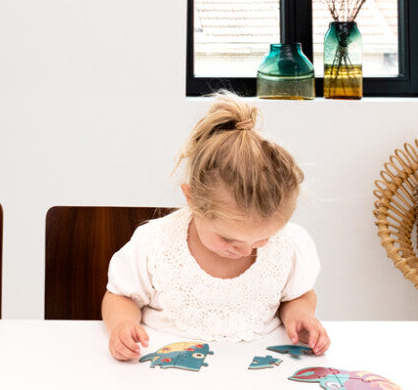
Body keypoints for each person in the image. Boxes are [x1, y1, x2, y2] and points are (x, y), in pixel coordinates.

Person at [103, 91, 330, 360]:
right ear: (192, 200)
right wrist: (122, 325)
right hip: (166, 368)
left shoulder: (288, 247)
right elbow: (120, 297)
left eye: (261, 239)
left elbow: (297, 296)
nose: (245, 251)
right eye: (229, 239)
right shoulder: (154, 245)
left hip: (254, 372)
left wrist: (300, 316)